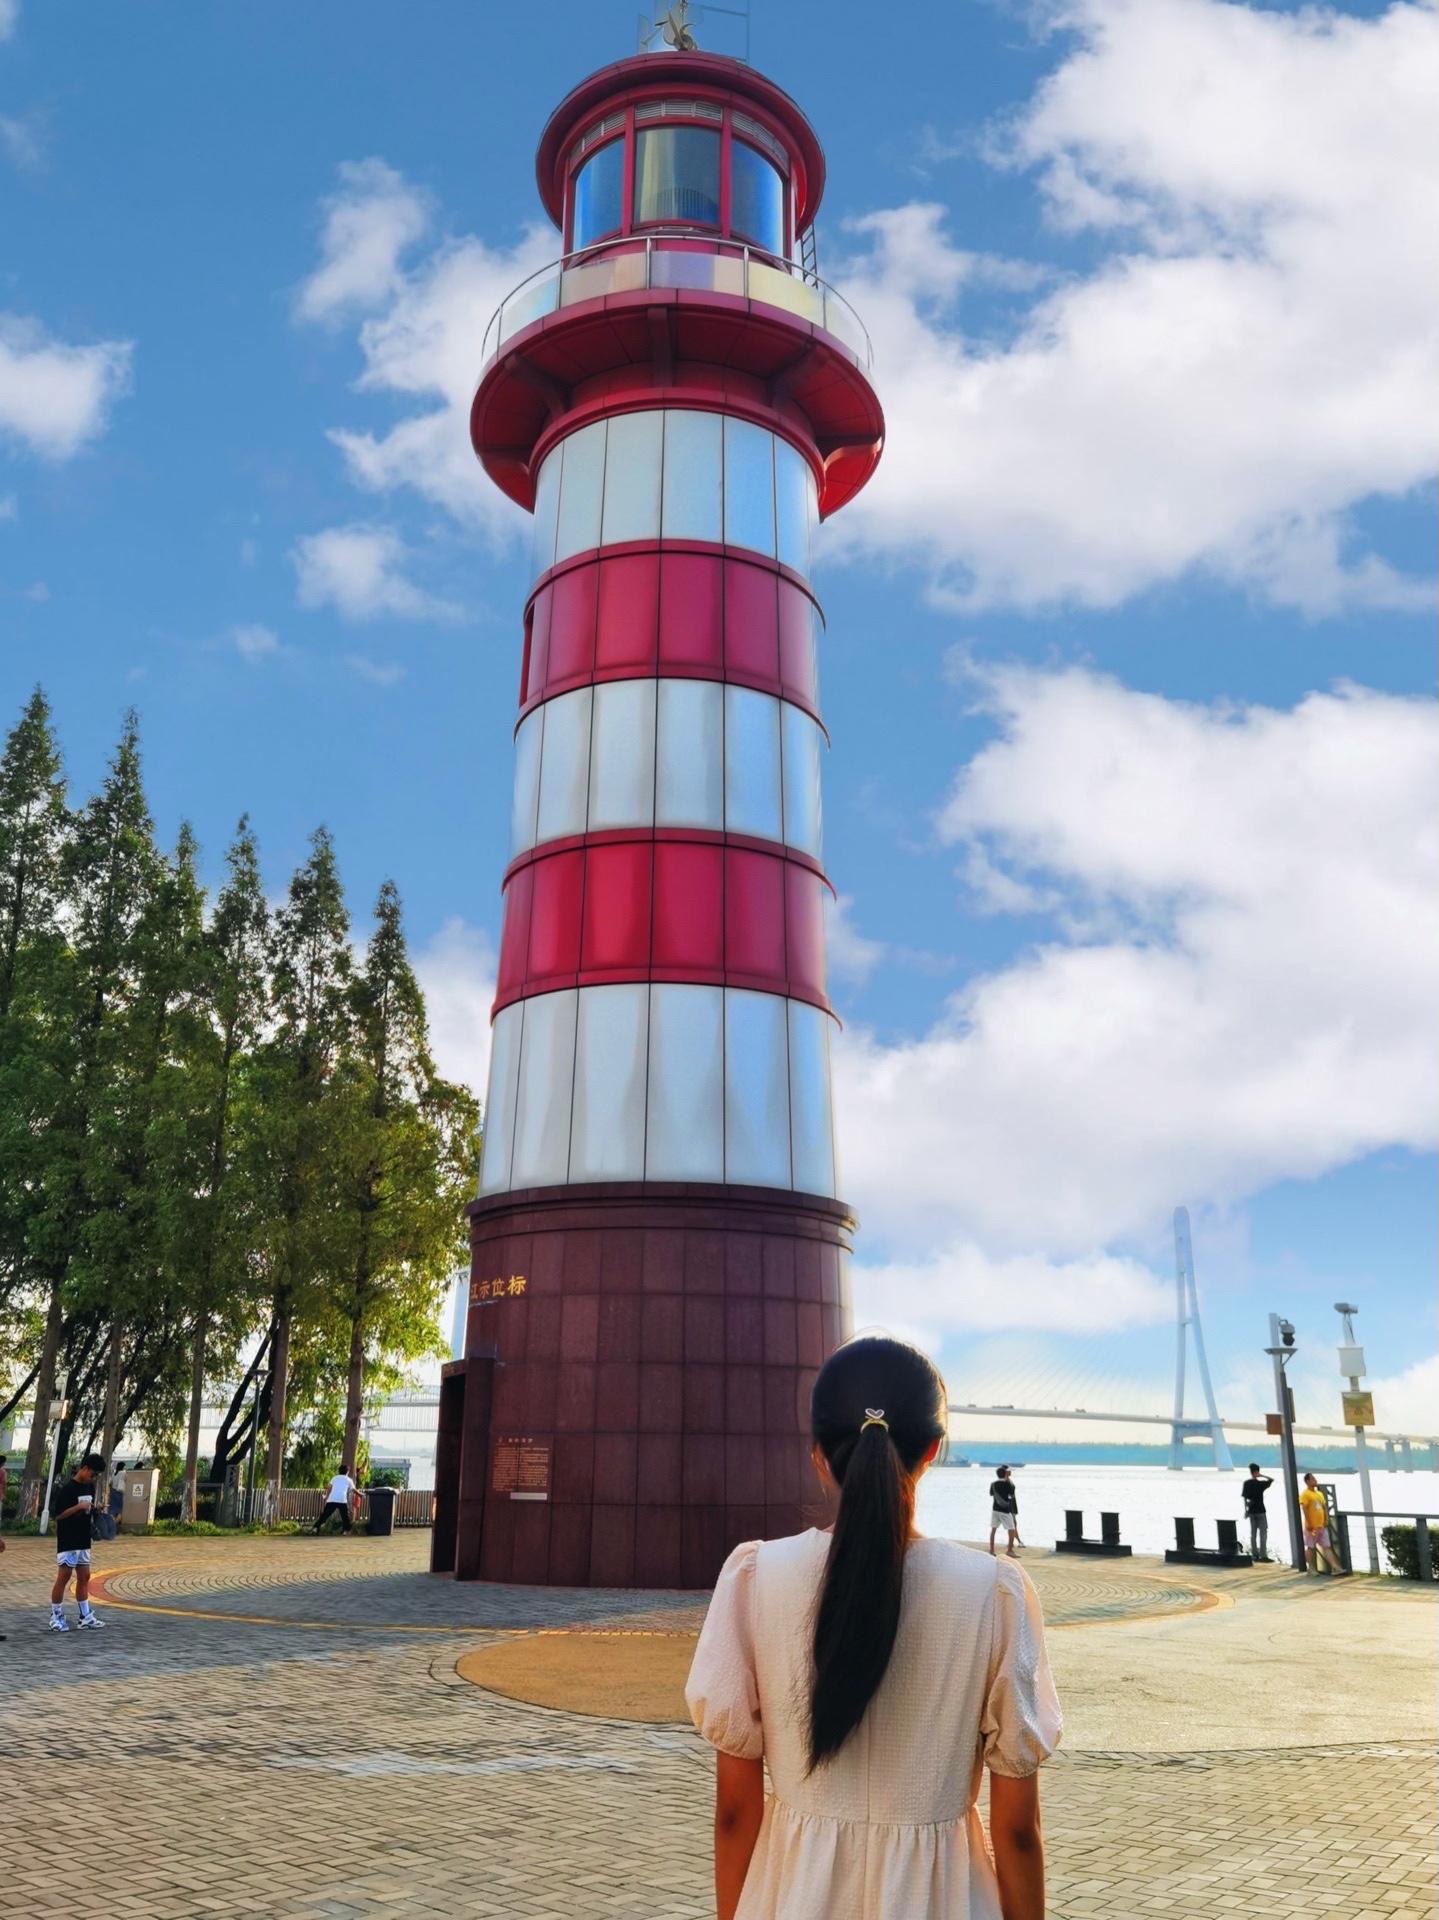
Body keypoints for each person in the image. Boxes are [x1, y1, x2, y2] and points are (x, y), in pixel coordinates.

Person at [686, 1335, 1061, 1920]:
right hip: (944, 1900)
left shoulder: (756, 1578)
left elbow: (736, 1814)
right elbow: (1017, 1830)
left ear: (818, 1454)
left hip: (792, 1898)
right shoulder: (993, 1593)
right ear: (932, 1450)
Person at [49, 1452, 107, 1631]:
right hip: (68, 1538)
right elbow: (58, 1515)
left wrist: (95, 1509)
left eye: (97, 1476)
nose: (94, 1478)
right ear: (85, 1469)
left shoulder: (89, 1488)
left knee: (84, 1576)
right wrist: (78, 1507)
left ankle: (85, 1616)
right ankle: (56, 1616)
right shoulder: (68, 1489)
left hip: (83, 1538)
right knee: (64, 1576)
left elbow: (87, 1509)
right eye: (93, 1474)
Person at [1299, 1473, 1346, 1576]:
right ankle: (1310, 1568)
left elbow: (1323, 1507)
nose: (1315, 1480)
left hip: (1321, 1526)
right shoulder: (1305, 1494)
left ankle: (1334, 1567)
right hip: (1312, 1527)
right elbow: (1304, 1508)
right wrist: (1308, 1522)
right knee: (1310, 1547)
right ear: (1307, 1481)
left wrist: (1326, 1518)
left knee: (1326, 1546)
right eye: (1312, 1479)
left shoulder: (1319, 1494)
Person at [1242, 1463, 1273, 1561]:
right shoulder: (1260, 1484)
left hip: (1251, 1512)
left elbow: (1245, 1498)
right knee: (1263, 1534)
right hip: (1260, 1511)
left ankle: (1254, 1555)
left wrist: (1246, 1511)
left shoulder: (1247, 1483)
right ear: (1257, 1472)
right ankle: (1263, 1555)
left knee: (1253, 1534)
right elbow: (1271, 1480)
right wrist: (1262, 1475)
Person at [988, 1464, 1021, 1557]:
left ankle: (992, 1549)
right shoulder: (1008, 1484)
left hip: (995, 1509)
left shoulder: (993, 1484)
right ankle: (1010, 1550)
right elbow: (1012, 1494)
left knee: (993, 1529)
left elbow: (991, 1494)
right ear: (1005, 1474)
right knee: (1011, 1529)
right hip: (1005, 1510)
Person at [314, 1465, 358, 1534]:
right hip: (342, 1500)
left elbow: (328, 1487)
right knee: (345, 1516)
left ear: (339, 1471)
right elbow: (353, 1490)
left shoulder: (335, 1478)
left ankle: (316, 1527)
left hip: (332, 1499)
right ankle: (345, 1530)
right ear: (347, 1471)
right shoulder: (349, 1479)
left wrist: (326, 1496)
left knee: (325, 1515)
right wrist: (360, 1494)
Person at [108, 1459, 127, 1527]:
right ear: (122, 1467)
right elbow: (125, 1479)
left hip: (113, 1491)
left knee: (113, 1506)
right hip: (119, 1491)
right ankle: (118, 1522)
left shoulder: (114, 1473)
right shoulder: (123, 1473)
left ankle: (112, 1521)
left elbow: (110, 1482)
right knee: (119, 1507)